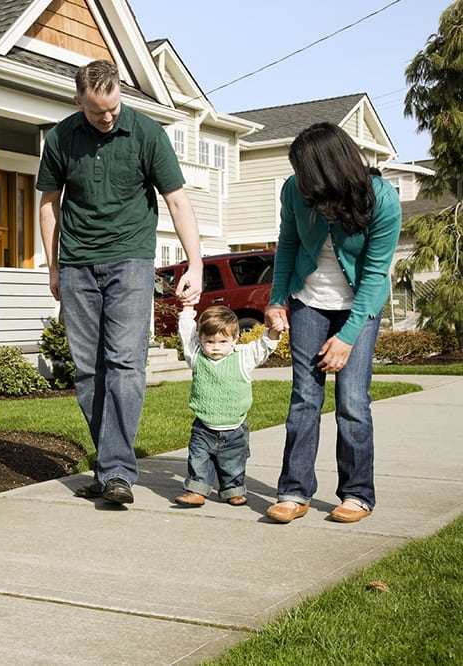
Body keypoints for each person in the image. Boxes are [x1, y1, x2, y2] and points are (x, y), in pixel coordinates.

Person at [37, 59, 203, 504]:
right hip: (76, 264)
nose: (108, 118)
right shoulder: (61, 138)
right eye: (97, 112)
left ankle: (115, 471)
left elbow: (176, 199)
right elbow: (49, 205)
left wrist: (196, 262)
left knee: (126, 363)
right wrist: (53, 266)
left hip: (131, 260)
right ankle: (112, 465)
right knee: (89, 369)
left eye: (113, 108)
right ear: (78, 102)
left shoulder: (148, 134)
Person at [263, 122, 401, 524]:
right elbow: (287, 242)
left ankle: (357, 494)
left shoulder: (382, 200)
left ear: (328, 170)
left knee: (353, 401)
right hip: (309, 300)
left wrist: (347, 337)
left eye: (305, 172)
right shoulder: (294, 190)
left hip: (359, 304)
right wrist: (276, 301)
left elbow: (375, 275)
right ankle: (294, 491)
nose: (299, 180)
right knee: (305, 397)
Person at [174, 305, 281, 508]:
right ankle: (197, 490)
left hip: (235, 429)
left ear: (235, 339)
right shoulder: (196, 356)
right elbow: (186, 334)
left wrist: (274, 331)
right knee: (198, 460)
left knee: (233, 464)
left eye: (223, 342)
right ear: (201, 339)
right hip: (204, 428)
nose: (216, 347)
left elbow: (264, 346)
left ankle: (232, 489)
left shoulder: (243, 357)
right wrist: (187, 309)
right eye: (210, 341)